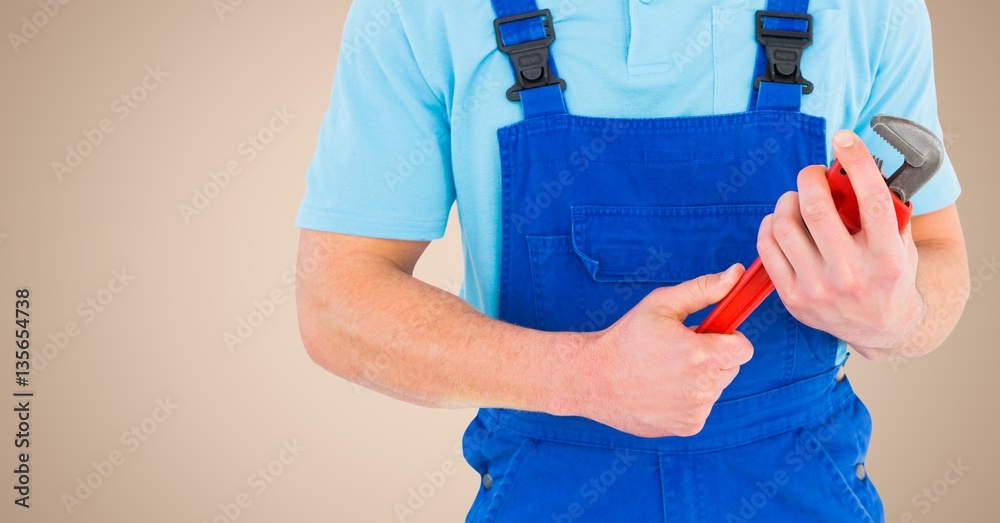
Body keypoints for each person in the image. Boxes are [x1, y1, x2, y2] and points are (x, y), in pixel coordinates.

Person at [294, 0, 969, 521]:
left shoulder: (872, 8)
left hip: (802, 486)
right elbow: (334, 299)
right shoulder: (424, 11)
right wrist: (581, 376)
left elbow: (941, 262)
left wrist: (895, 313)